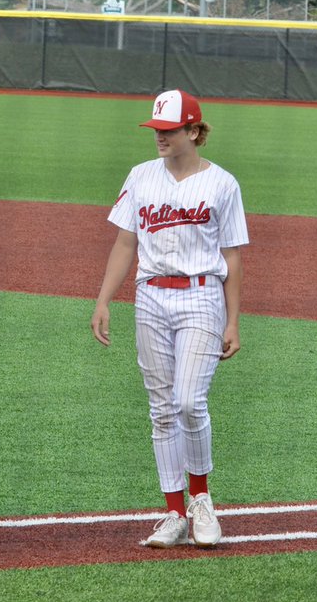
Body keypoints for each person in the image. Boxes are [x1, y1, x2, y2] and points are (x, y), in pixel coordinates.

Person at [90, 89, 247, 549]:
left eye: (170, 130)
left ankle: (201, 499)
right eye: (156, 130)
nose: (160, 136)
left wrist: (233, 320)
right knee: (161, 409)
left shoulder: (222, 183)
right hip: (150, 298)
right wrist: (104, 300)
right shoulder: (140, 177)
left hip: (202, 297)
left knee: (187, 402)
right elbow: (125, 243)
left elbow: (232, 258)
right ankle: (174, 512)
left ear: (195, 132)